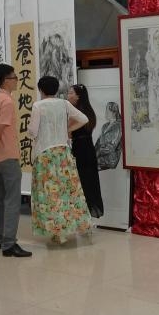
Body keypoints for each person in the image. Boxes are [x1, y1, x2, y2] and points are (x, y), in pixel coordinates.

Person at [29, 76, 92, 243]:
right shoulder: (64, 104)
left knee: (50, 195)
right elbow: (84, 119)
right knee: (69, 192)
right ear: (56, 89)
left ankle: (58, 233)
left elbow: (32, 131)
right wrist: (67, 129)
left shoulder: (38, 106)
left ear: (41, 89)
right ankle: (78, 225)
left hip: (45, 154)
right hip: (63, 152)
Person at [0, 64, 31, 258]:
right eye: (14, 77)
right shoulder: (7, 102)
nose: (17, 80)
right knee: (12, 200)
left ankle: (0, 238)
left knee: (1, 199)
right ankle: (9, 244)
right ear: (6, 80)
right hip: (8, 156)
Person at [67, 83, 104, 219]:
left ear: (78, 96)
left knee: (80, 182)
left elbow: (68, 133)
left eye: (71, 93)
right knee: (90, 181)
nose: (68, 96)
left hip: (80, 149)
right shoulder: (89, 110)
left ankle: (82, 214)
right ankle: (90, 212)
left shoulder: (76, 113)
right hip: (89, 148)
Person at [95, 102, 123, 171]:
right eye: (106, 110)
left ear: (114, 112)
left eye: (108, 110)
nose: (106, 113)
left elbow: (111, 147)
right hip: (100, 156)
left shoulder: (118, 126)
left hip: (110, 159)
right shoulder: (105, 126)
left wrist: (97, 153)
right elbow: (98, 141)